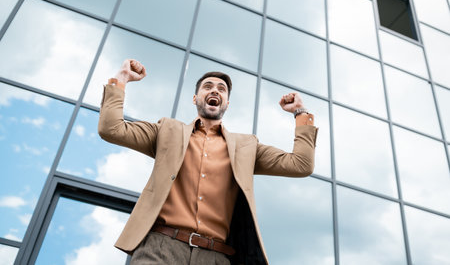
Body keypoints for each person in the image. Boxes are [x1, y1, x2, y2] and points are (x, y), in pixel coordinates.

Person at [98, 59, 318, 265]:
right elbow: (112, 129)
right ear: (195, 99)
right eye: (208, 86)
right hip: (160, 248)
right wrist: (122, 78)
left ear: (227, 104)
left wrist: (300, 113)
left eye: (221, 89)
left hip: (215, 256)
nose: (215, 90)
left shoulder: (247, 147)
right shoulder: (166, 130)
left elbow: (300, 164)